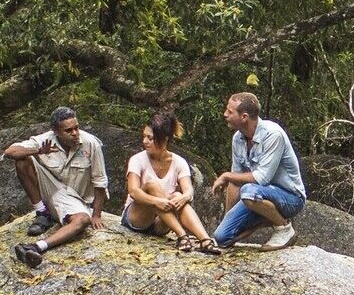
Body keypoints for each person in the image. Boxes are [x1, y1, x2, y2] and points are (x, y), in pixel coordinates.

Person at [4, 108, 109, 267]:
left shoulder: (90, 143)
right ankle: (42, 212)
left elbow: (100, 180)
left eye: (76, 128)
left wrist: (97, 214)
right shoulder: (46, 140)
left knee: (82, 220)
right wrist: (38, 151)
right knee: (22, 159)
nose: (75, 133)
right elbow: (10, 151)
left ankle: (36, 247)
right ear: (56, 131)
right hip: (51, 188)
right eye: (68, 130)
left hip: (75, 198)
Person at [205, 88, 305, 251]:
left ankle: (284, 228)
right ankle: (265, 218)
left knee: (249, 191)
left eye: (229, 112)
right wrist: (229, 218)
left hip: (290, 198)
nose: (225, 114)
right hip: (258, 195)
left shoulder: (273, 135)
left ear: (244, 117)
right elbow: (235, 180)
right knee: (222, 237)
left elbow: (261, 178)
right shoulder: (238, 138)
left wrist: (226, 176)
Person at [121, 107, 203, 243]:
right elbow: (134, 191)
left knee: (178, 196)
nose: (145, 141)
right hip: (138, 218)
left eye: (150, 138)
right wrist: (157, 201)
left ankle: (205, 240)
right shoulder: (137, 159)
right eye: (144, 136)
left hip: (161, 223)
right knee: (152, 185)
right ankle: (182, 235)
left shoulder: (179, 162)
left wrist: (185, 196)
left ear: (164, 140)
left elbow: (188, 189)